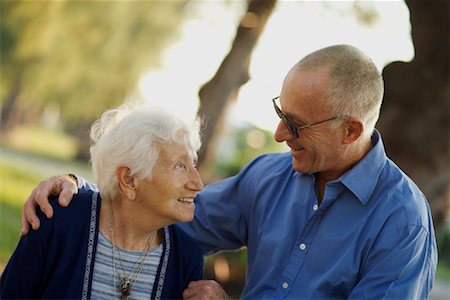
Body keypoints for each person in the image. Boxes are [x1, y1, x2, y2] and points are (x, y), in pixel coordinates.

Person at [20, 44, 437, 299]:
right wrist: (82, 190)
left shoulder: (403, 223)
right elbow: (171, 212)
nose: (278, 134)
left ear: (351, 130)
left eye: (295, 125)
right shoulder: (268, 178)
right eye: (280, 113)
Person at [1, 103, 205, 299]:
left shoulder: (187, 259)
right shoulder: (55, 222)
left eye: (193, 163)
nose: (198, 183)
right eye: (180, 166)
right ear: (129, 180)